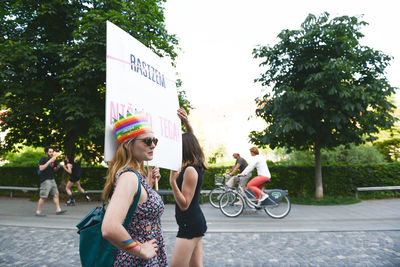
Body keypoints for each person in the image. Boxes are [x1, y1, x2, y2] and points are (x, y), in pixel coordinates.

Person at [101, 111, 166, 266]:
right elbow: (110, 227)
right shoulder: (129, 177)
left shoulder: (136, 176)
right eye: (147, 141)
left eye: (154, 140)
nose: (153, 145)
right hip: (136, 260)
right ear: (128, 145)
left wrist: (148, 183)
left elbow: (138, 208)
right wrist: (141, 250)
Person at [169, 108, 207, 267]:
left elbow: (184, 204)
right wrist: (186, 122)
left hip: (189, 226)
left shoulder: (190, 170)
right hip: (194, 223)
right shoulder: (198, 165)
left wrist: (172, 181)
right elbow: (192, 139)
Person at [36, 146, 67, 216]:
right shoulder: (43, 160)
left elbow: (54, 170)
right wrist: (49, 161)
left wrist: (57, 168)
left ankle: (58, 210)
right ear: (46, 153)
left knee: (56, 194)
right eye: (50, 152)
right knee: (43, 197)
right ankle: (38, 212)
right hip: (45, 180)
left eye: (52, 152)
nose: (51, 153)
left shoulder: (54, 161)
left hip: (52, 179)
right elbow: (41, 168)